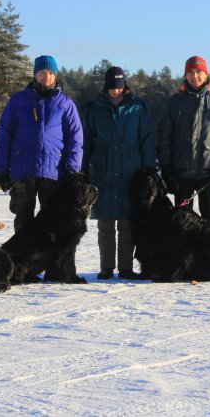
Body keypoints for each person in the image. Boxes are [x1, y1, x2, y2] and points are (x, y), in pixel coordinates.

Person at [0, 55, 83, 233]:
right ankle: (21, 260)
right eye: (42, 72)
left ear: (55, 76)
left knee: (52, 224)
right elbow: (4, 135)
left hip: (53, 172)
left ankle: (48, 261)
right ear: (35, 74)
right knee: (23, 225)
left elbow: (75, 139)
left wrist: (72, 170)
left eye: (50, 73)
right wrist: (1, 170)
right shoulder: (17, 101)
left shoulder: (65, 104)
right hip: (22, 170)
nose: (46, 77)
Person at [81, 66, 156, 280]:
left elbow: (147, 141)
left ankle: (125, 268)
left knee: (127, 224)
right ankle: (106, 267)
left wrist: (149, 171)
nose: (115, 91)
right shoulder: (95, 109)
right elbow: (86, 143)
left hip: (131, 172)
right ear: (106, 87)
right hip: (103, 171)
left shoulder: (138, 108)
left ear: (125, 86)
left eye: (119, 87)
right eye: (112, 87)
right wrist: (83, 170)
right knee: (105, 224)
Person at [157, 55, 210, 224]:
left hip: (208, 170)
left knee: (209, 220)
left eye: (199, 72)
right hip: (181, 171)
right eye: (191, 72)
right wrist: (166, 166)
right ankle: (182, 252)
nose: (195, 76)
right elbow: (164, 136)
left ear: (206, 74)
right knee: (182, 222)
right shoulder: (174, 102)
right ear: (186, 75)